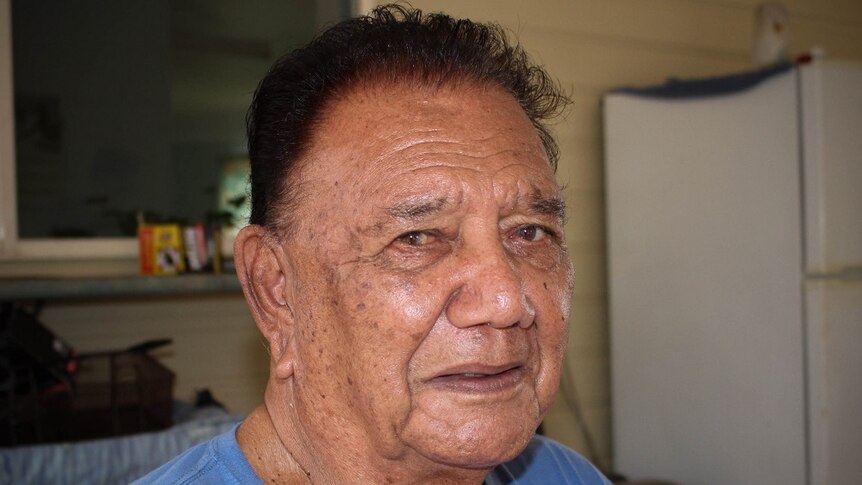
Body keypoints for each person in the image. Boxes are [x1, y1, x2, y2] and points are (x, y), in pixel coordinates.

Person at [135, 5, 611, 484]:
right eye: (416, 238)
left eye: (529, 232)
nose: (507, 301)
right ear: (276, 290)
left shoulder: (565, 476)